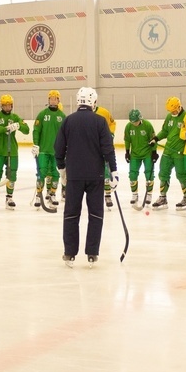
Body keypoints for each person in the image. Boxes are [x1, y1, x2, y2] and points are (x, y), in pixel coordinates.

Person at [55, 87, 118, 268]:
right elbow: (108, 149)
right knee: (95, 214)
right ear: (94, 102)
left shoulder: (68, 121)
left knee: (71, 214)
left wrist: (62, 170)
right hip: (95, 176)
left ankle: (69, 253)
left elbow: (58, 148)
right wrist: (114, 171)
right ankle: (92, 253)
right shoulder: (100, 121)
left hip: (74, 175)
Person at [0, 94, 29, 209]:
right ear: (1, 105)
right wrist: (5, 128)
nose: (7, 107)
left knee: (12, 174)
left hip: (12, 151)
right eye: (5, 105)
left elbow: (27, 130)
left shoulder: (15, 117)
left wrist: (18, 126)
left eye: (9, 105)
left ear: (12, 105)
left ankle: (9, 197)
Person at [149, 96, 186, 210]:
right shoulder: (169, 116)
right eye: (171, 111)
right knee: (163, 173)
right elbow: (165, 131)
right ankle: (163, 197)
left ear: (179, 106)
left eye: (175, 110)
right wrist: (156, 138)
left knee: (181, 175)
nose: (173, 113)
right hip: (168, 150)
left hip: (179, 152)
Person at [32, 90, 65, 207]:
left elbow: (65, 134)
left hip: (56, 151)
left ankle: (52, 194)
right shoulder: (42, 114)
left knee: (56, 174)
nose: (53, 100)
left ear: (58, 100)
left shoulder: (62, 116)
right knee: (42, 172)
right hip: (43, 151)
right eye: (51, 98)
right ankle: (38, 195)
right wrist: (36, 144)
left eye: (55, 98)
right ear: (48, 100)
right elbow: (36, 130)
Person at [123, 109, 156, 206]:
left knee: (149, 173)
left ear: (140, 119)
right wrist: (127, 152)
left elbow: (154, 139)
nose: (134, 123)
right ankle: (134, 194)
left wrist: (154, 152)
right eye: (132, 122)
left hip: (147, 153)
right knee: (132, 174)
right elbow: (127, 140)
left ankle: (149, 194)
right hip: (135, 154)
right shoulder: (128, 126)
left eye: (136, 121)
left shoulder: (148, 125)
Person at [94, 102, 117, 209]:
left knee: (107, 170)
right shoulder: (86, 114)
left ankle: (107, 194)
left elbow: (112, 123)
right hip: (93, 149)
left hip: (105, 146)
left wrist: (110, 133)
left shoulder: (104, 112)